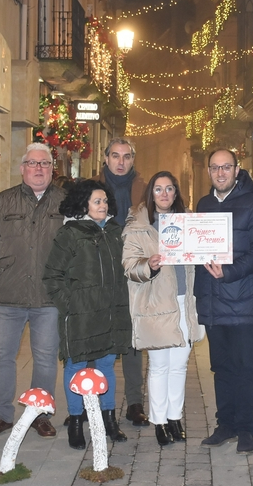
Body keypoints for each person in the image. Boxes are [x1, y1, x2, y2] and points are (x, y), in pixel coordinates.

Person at [0, 142, 65, 440]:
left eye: (45, 164)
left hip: (47, 298)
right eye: (33, 163)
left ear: (53, 169)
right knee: (2, 356)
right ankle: (1, 416)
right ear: (22, 168)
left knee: (45, 357)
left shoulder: (66, 203)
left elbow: (76, 247)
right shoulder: (3, 202)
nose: (39, 169)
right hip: (9, 297)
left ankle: (40, 414)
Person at [42, 180, 131, 449]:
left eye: (105, 201)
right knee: (76, 366)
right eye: (97, 201)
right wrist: (70, 305)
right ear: (83, 205)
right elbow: (52, 276)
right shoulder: (70, 234)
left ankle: (108, 420)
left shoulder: (116, 232)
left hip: (110, 313)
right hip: (80, 315)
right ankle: (77, 422)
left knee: (106, 367)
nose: (103, 205)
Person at [195, 149, 253, 455]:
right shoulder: (204, 204)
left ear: (237, 170)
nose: (221, 172)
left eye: (226, 167)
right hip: (213, 303)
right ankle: (225, 424)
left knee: (245, 368)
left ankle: (245, 429)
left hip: (244, 302)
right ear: (209, 172)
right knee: (222, 368)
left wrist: (229, 272)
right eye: (215, 168)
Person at [123, 172, 202, 447]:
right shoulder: (138, 226)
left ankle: (174, 417)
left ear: (176, 192)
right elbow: (129, 267)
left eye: (169, 188)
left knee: (179, 365)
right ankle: (158, 421)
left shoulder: (188, 221)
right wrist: (149, 265)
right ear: (151, 193)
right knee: (159, 366)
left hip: (184, 302)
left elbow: (201, 255)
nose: (164, 194)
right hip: (157, 303)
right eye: (158, 189)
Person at [94, 137, 149, 427]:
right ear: (106, 159)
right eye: (115, 156)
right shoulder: (90, 188)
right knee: (99, 340)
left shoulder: (144, 189)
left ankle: (135, 402)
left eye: (126, 156)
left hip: (133, 272)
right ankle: (97, 401)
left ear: (132, 160)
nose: (120, 161)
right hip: (101, 272)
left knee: (132, 341)